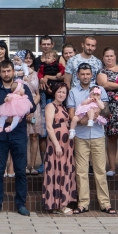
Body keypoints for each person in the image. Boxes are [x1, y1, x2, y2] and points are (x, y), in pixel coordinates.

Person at [0, 59, 35, 216]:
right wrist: (6, 118)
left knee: (20, 170)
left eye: (9, 71)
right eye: (3, 71)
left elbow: (31, 105)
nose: (6, 74)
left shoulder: (23, 87)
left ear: (13, 71)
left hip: (18, 135)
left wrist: (18, 113)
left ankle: (21, 204)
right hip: (0, 136)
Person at [66, 63, 112, 214]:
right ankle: (83, 203)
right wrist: (85, 120)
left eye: (88, 74)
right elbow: (71, 114)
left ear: (92, 74)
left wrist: (98, 111)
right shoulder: (73, 92)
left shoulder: (100, 89)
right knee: (81, 171)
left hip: (98, 135)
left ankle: (105, 203)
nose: (85, 76)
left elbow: (106, 111)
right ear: (78, 75)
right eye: (82, 74)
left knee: (100, 170)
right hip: (81, 136)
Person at [42, 83, 75, 214]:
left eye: (64, 92)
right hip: (57, 144)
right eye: (59, 92)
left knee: (65, 171)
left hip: (67, 145)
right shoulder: (51, 106)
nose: (61, 94)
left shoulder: (64, 107)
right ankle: (56, 204)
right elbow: (49, 127)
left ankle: (63, 202)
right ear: (54, 92)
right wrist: (56, 145)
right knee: (57, 171)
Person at [96, 47, 118, 178]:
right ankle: (112, 167)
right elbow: (105, 84)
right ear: (103, 58)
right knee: (111, 137)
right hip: (110, 108)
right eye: (107, 56)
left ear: (116, 57)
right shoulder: (102, 71)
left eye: (111, 56)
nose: (109, 58)